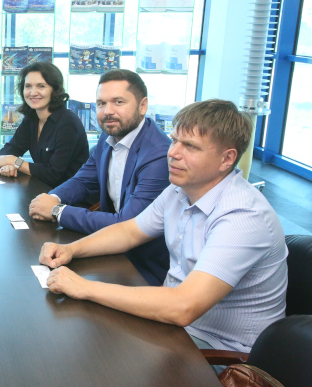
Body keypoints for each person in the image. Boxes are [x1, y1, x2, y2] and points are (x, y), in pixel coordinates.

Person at [39, 99, 288, 353]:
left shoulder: (243, 216)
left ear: (227, 158)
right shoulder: (180, 189)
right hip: (177, 328)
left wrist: (84, 287)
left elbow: (183, 307)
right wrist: (72, 249)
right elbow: (129, 231)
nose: (173, 152)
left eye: (190, 146)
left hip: (219, 352)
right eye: (174, 140)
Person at [29, 69, 171, 285]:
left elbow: (127, 224)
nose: (108, 111)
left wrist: (58, 212)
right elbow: (84, 180)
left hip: (143, 268)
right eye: (101, 104)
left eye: (118, 102)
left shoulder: (158, 155)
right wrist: (53, 199)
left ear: (143, 106)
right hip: (109, 251)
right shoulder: (110, 134)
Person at [0, 62, 89, 187]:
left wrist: (15, 162)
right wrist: (8, 164)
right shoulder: (32, 118)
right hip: (43, 188)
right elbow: (11, 148)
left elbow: (53, 174)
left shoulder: (68, 123)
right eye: (28, 86)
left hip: (69, 196)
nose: (33, 93)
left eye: (41, 86)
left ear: (54, 90)